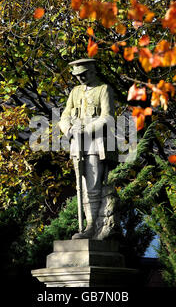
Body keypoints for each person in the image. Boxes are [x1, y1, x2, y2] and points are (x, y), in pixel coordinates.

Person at [59, 58, 118, 240]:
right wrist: (69, 128)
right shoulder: (75, 92)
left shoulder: (104, 89)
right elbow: (65, 116)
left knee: (92, 186)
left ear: (93, 71)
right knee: (82, 186)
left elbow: (107, 117)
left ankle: (93, 227)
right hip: (77, 142)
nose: (80, 78)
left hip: (95, 142)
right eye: (77, 75)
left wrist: (85, 130)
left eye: (83, 74)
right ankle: (88, 224)